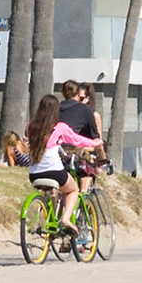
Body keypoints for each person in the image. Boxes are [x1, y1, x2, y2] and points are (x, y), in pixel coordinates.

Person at [26, 93, 102, 244]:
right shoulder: (59, 128)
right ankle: (65, 219)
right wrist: (94, 143)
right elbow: (76, 139)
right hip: (54, 172)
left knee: (52, 192)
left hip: (34, 174)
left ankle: (51, 218)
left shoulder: (31, 127)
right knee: (73, 190)